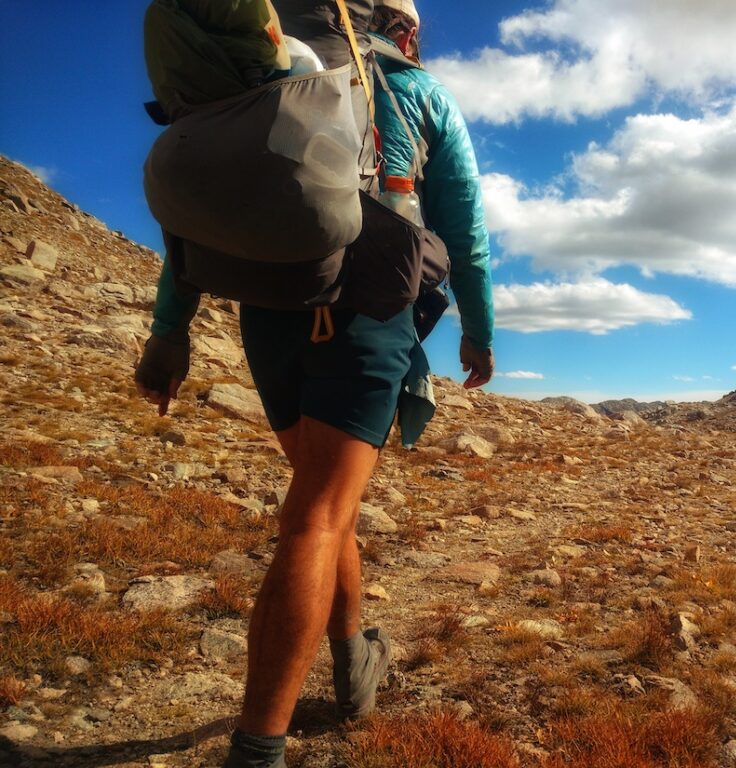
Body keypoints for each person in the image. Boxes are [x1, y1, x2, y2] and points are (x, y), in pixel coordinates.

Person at [133, 1, 496, 765]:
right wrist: (479, 330)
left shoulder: (274, 77)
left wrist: (170, 330)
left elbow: (206, 220)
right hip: (365, 310)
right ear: (403, 28)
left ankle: (354, 654)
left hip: (269, 311)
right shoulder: (419, 93)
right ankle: (258, 747)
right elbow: (464, 230)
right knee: (318, 515)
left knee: (325, 503)